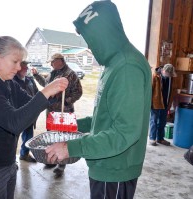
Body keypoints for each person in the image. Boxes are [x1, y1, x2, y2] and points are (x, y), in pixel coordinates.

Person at [45, 1, 152, 199]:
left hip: (115, 168)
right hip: (104, 162)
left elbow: (125, 132)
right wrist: (74, 125)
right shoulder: (113, 63)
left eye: (90, 38)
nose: (89, 45)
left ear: (103, 34)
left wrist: (72, 147)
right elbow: (106, 117)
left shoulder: (127, 66)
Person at [0, 36, 68, 199]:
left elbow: (30, 105)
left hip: (7, 164)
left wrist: (54, 92)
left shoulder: (8, 83)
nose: (19, 68)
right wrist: (45, 92)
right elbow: (14, 122)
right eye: (15, 62)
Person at [31, 53, 83, 177]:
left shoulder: (70, 74)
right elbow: (46, 84)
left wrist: (66, 101)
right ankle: (52, 159)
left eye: (53, 62)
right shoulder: (53, 72)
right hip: (51, 111)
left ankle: (61, 164)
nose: (51, 64)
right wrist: (36, 75)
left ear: (60, 61)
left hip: (63, 112)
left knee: (62, 137)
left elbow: (79, 92)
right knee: (51, 136)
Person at [14, 61, 39, 163]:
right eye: (23, 66)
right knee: (13, 138)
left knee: (28, 136)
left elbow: (37, 93)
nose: (25, 68)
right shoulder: (12, 81)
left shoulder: (30, 80)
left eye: (26, 66)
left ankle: (24, 154)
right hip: (17, 114)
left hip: (30, 114)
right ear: (18, 68)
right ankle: (10, 160)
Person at [149, 64, 177, 146]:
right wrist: (150, 102)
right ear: (164, 71)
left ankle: (160, 138)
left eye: (171, 74)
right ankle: (152, 138)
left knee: (162, 122)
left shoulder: (171, 78)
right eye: (169, 74)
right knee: (154, 121)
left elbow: (172, 91)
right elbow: (151, 89)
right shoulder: (155, 76)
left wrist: (170, 104)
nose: (170, 76)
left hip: (166, 103)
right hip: (156, 103)